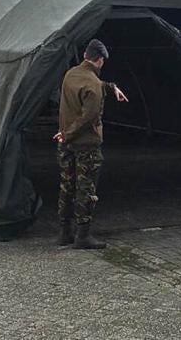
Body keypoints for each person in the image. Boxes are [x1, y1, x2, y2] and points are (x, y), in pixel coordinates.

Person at [54, 39, 128, 249]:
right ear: (100, 60)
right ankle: (83, 235)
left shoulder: (70, 75)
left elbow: (88, 89)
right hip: (85, 145)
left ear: (86, 56)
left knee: (66, 186)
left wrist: (112, 87)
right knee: (86, 189)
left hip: (65, 144)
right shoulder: (93, 85)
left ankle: (64, 232)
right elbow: (89, 117)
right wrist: (68, 134)